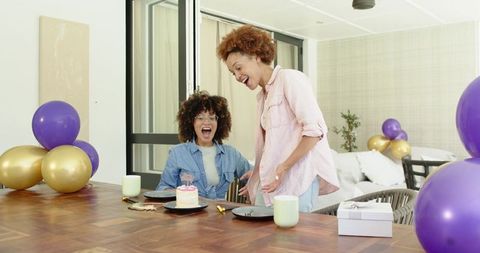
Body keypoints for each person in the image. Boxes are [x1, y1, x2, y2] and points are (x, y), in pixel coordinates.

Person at [217, 25, 339, 212]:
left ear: (256, 55)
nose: (237, 76)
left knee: (293, 240)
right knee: (264, 238)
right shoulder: (263, 97)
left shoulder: (290, 79)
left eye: (238, 68)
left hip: (297, 181)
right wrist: (257, 174)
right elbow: (271, 146)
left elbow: (315, 132)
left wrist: (283, 168)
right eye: (233, 73)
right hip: (272, 184)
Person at [156, 91, 252, 199]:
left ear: (219, 123)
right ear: (192, 123)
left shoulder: (231, 154)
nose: (207, 122)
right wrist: (184, 194)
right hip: (188, 214)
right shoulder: (177, 153)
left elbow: (255, 174)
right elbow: (163, 189)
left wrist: (253, 184)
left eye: (212, 118)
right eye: (200, 118)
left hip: (221, 213)